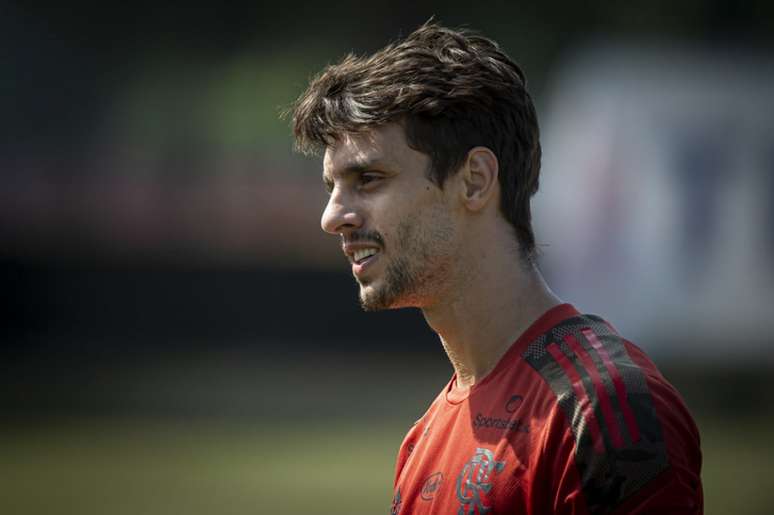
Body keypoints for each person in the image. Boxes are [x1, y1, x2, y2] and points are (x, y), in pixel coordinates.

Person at [289, 21, 702, 515]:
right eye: (332, 187)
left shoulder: (604, 411)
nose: (332, 216)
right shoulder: (422, 440)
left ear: (475, 180)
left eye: (369, 178)